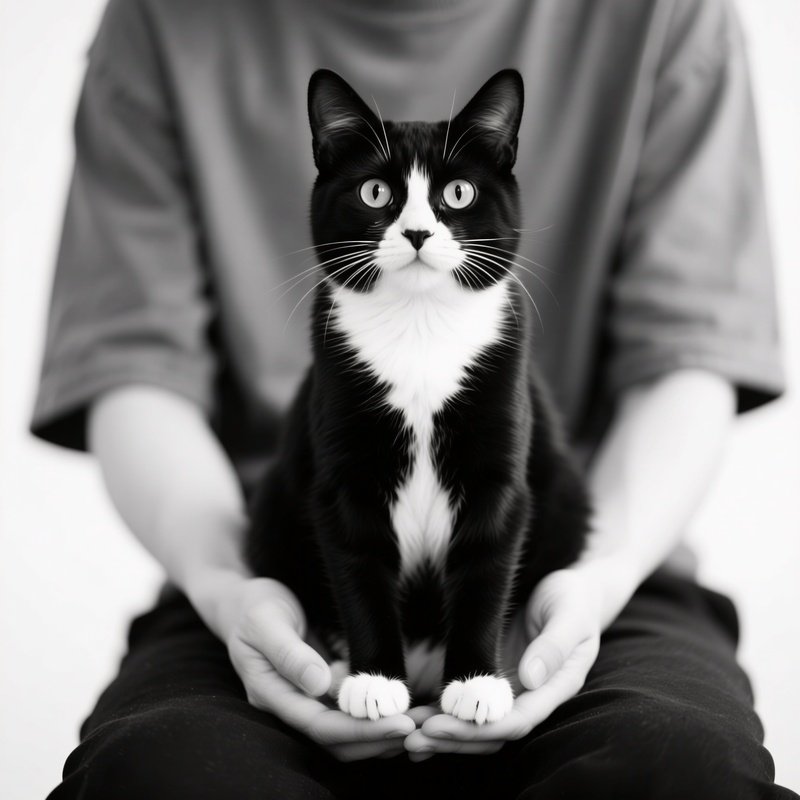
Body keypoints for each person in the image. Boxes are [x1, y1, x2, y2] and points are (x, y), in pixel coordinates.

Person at [31, 0, 796, 797]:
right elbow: (132, 366)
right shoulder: (160, 18)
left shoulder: (671, 13)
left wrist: (600, 580)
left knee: (680, 765)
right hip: (277, 571)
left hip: (580, 567)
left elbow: (686, 355)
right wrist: (225, 585)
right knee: (165, 775)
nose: (422, 226)